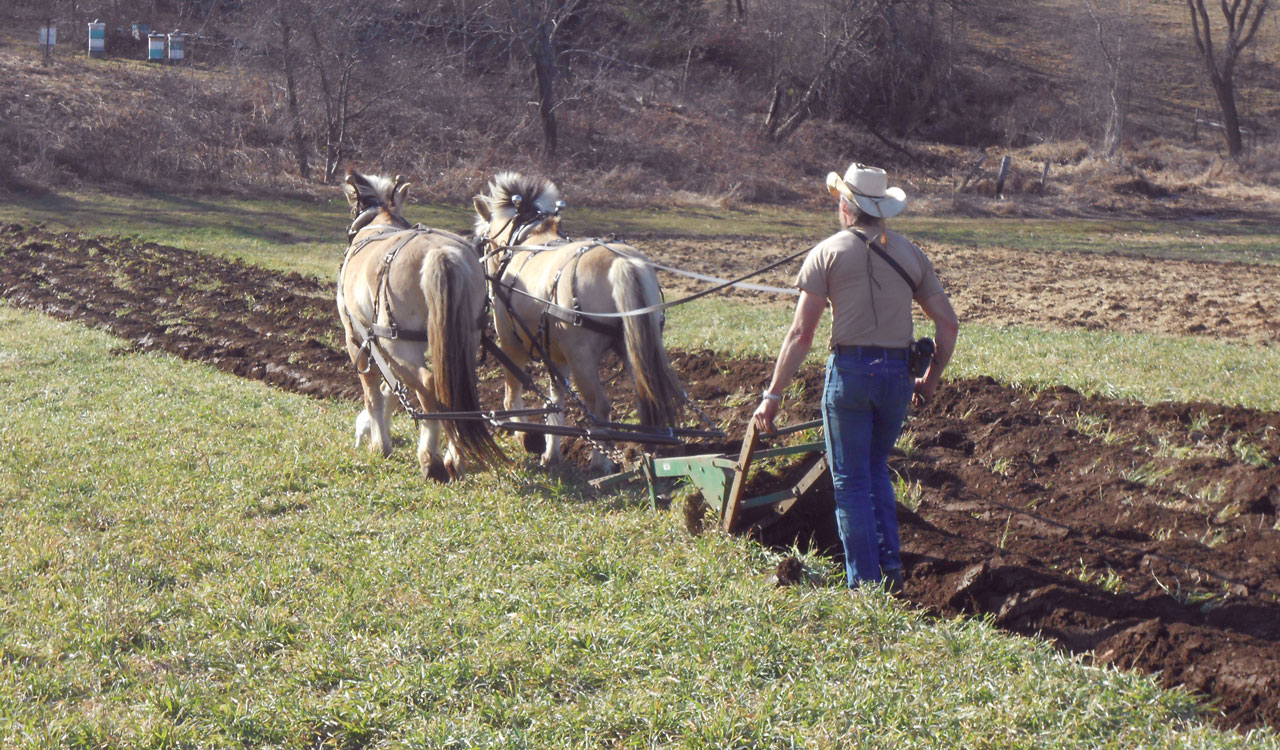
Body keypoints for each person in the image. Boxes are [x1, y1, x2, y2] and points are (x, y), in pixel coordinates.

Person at [752, 163, 959, 592]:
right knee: (876, 468)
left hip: (849, 376)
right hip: (897, 380)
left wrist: (772, 395)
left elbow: (801, 334)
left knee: (850, 481)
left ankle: (864, 586)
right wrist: (931, 380)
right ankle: (891, 573)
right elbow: (949, 325)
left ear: (847, 205)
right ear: (880, 209)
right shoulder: (910, 253)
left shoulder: (826, 253)